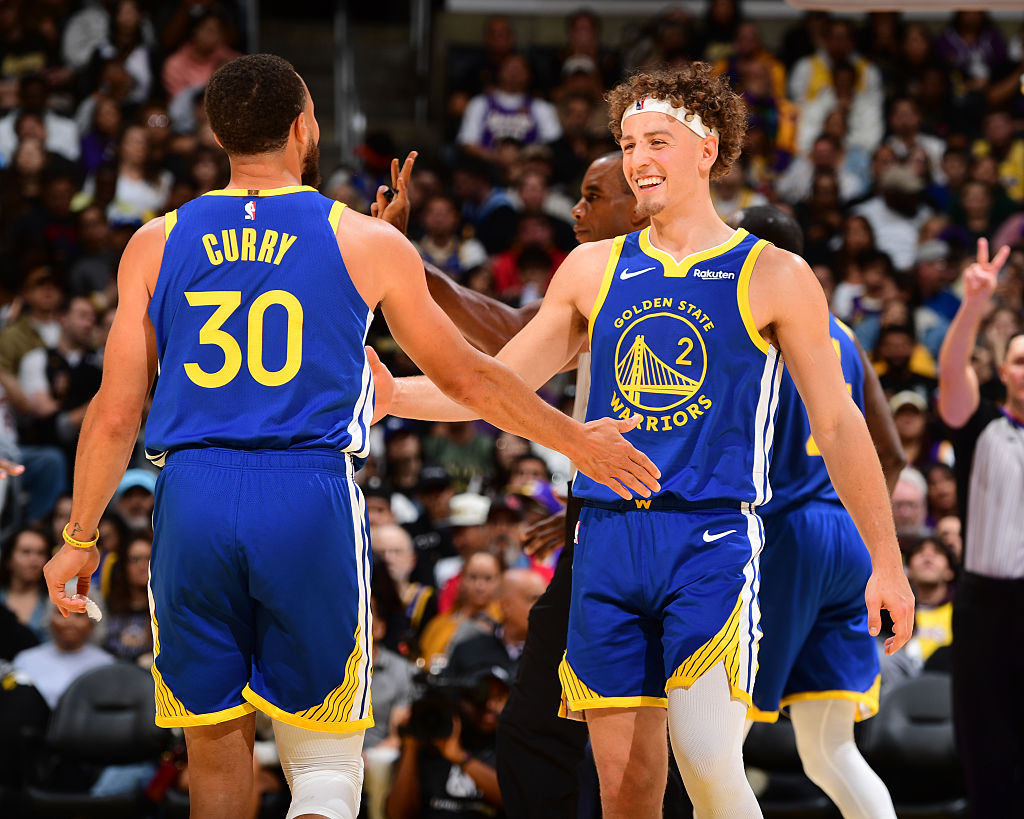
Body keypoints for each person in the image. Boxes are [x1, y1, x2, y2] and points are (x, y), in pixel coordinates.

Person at [40, 54, 659, 819]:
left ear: (215, 133)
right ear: (306, 127)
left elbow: (113, 411)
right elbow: (473, 378)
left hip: (191, 495)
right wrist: (577, 438)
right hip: (305, 494)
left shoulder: (155, 242)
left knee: (213, 747)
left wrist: (79, 533)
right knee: (328, 759)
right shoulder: (361, 239)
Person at [375, 64, 912, 818]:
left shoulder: (776, 274)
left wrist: (886, 560)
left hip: (712, 536)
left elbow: (841, 425)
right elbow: (498, 383)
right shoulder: (591, 268)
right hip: (607, 539)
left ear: (707, 149)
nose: (638, 158)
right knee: (625, 784)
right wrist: (394, 393)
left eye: (657, 140)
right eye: (628, 142)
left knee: (707, 763)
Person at [741, 210, 902, 819]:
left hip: (785, 534)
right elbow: (892, 452)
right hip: (850, 540)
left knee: (718, 735)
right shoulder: (845, 334)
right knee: (829, 749)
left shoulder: (754, 328)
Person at [937, 237, 1023, 817]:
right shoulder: (981, 424)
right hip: (985, 605)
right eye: (1020, 358)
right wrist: (973, 305)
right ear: (1005, 372)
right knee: (986, 749)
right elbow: (951, 372)